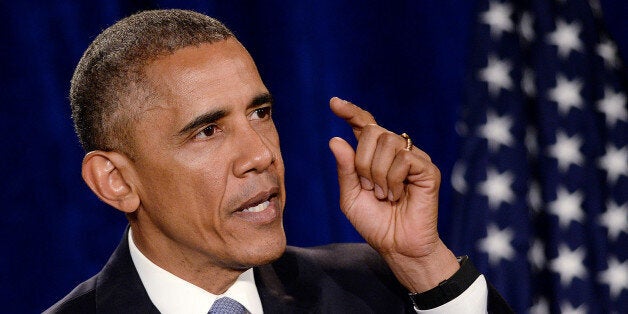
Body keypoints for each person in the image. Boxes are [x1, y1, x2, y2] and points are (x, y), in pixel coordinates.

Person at [45, 9, 512, 313]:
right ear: (115, 182)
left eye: (260, 113)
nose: (261, 154)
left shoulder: (379, 290)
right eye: (208, 130)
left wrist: (426, 266)